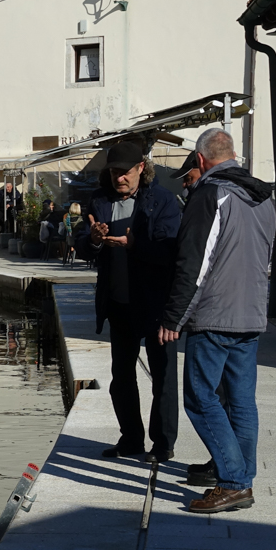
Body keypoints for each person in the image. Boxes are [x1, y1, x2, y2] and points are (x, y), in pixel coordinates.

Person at [159, 128, 275, 513]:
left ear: (201, 160)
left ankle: (234, 481)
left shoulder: (211, 195)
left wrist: (174, 316)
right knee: (241, 401)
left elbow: (194, 262)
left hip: (214, 316)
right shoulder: (263, 199)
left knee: (200, 397)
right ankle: (239, 473)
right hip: (251, 314)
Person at [74, 141, 183, 462]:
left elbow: (170, 251)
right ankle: (131, 439)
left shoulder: (162, 201)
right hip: (118, 303)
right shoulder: (99, 200)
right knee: (121, 378)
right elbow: (81, 243)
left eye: (124, 173)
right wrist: (92, 239)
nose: (118, 178)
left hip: (154, 304)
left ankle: (163, 444)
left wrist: (135, 244)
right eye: (113, 173)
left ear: (141, 169)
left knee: (163, 378)